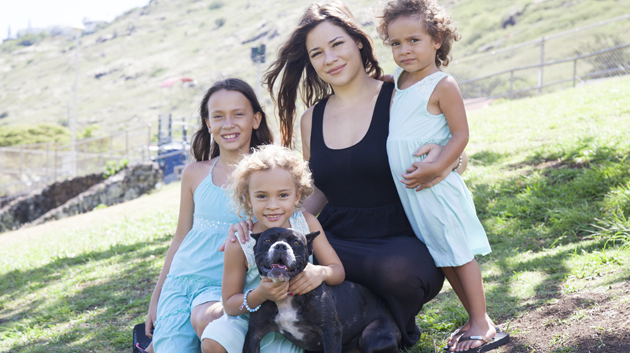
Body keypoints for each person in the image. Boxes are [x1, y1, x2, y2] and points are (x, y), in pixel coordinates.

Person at [376, 1, 508, 352]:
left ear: (437, 39)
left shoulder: (441, 84)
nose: (404, 50)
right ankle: (473, 317)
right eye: (395, 43)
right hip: (413, 194)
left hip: (435, 186)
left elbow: (460, 135)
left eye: (414, 40)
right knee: (441, 253)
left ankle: (482, 322)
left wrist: (438, 166)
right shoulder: (399, 81)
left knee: (459, 254)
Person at [144, 78, 274, 353]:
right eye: (218, 116)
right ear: (208, 124)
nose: (229, 124)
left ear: (256, 119)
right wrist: (157, 297)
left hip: (228, 287)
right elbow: (181, 236)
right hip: (182, 281)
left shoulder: (269, 176)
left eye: (238, 114)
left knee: (215, 332)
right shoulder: (194, 173)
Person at [201, 145, 345, 353]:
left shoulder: (307, 224)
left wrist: (320, 272)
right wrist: (260, 294)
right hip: (250, 318)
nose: (272, 205)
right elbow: (230, 305)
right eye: (261, 196)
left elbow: (338, 271)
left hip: (298, 322)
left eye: (283, 195)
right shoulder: (241, 241)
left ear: (297, 196)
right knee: (213, 341)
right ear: (248, 199)